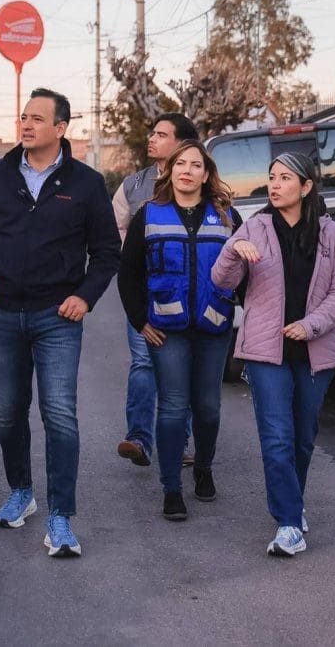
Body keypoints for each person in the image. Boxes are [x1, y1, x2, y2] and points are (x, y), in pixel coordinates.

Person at [0, 88, 121, 558]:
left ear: (61, 128)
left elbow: (107, 252)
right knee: (8, 413)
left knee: (60, 416)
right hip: (2, 313)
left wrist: (84, 297)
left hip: (58, 317)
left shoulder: (86, 182)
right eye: (23, 117)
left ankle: (61, 517)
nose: (26, 125)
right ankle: (22, 493)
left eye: (37, 118)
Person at [211, 152, 335, 557]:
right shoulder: (253, 228)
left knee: (302, 439)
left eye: (285, 178)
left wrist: (310, 325)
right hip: (264, 351)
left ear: (306, 187)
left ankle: (293, 504)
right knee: (276, 439)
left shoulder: (330, 235)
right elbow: (222, 282)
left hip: (314, 351)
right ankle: (289, 522)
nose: (275, 185)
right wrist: (233, 249)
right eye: (271, 177)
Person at [117, 140, 241, 521]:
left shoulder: (227, 216)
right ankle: (171, 488)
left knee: (207, 407)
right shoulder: (149, 214)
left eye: (196, 165)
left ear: (207, 174)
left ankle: (203, 467)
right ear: (169, 171)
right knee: (172, 407)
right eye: (180, 164)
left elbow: (246, 271)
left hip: (214, 325)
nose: (187, 170)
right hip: (166, 329)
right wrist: (141, 321)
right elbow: (129, 274)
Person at [112, 113, 200, 468]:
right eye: (152, 132)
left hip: (189, 292)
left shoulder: (200, 181)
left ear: (181, 144)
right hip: (146, 292)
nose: (151, 139)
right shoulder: (133, 186)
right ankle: (139, 439)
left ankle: (177, 441)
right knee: (144, 363)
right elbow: (114, 227)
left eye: (161, 134)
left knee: (182, 367)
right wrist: (134, 258)